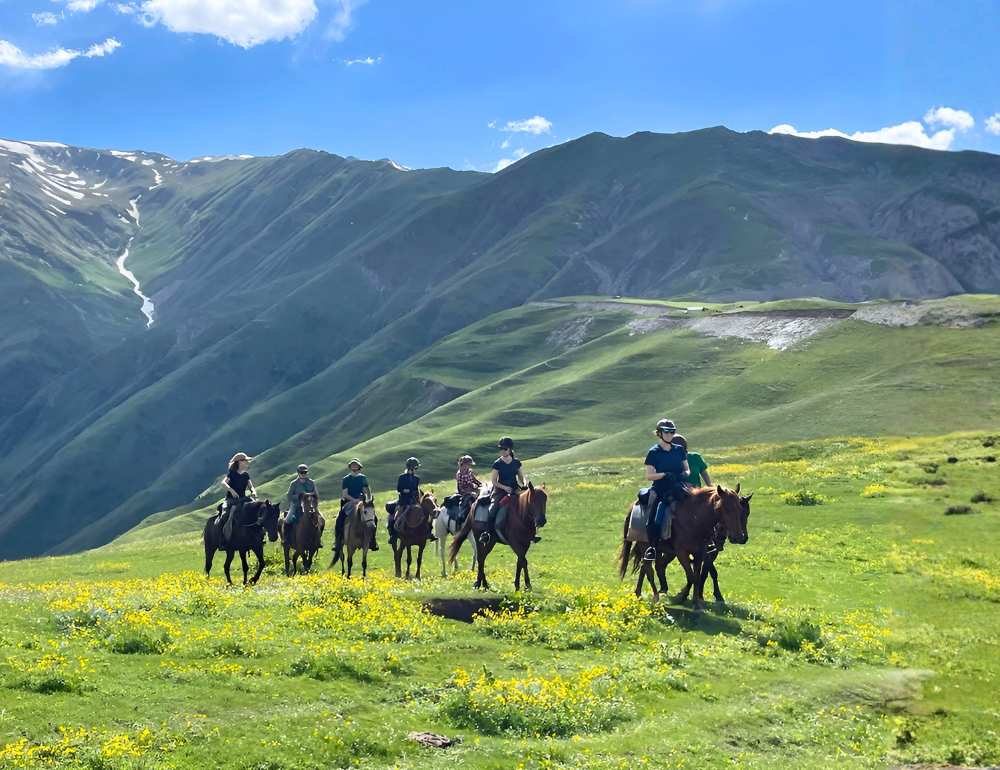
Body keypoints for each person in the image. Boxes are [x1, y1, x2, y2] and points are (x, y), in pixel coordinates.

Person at [643, 419, 690, 562]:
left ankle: (706, 541)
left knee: (700, 505)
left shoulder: (679, 450)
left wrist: (684, 474)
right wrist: (664, 475)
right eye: (667, 431)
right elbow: (649, 475)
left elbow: (687, 469)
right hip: (660, 489)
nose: (670, 434)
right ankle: (652, 547)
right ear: (659, 433)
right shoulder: (653, 453)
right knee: (654, 516)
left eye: (672, 431)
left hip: (679, 486)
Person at [482, 437, 539, 546]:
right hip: (500, 490)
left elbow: (521, 476)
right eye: (501, 449)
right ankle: (487, 533)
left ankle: (531, 532)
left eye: (504, 449)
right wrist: (504, 488)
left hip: (514, 488)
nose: (502, 451)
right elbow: (494, 481)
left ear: (509, 449)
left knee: (528, 506)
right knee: (492, 509)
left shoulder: (516, 462)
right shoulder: (497, 463)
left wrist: (525, 483)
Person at [389, 457, 434, 544]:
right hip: (403, 500)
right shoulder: (402, 477)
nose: (416, 470)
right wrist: (405, 490)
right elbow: (399, 488)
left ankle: (429, 532)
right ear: (411, 467)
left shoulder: (416, 478)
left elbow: (416, 489)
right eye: (416, 468)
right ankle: (393, 535)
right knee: (396, 515)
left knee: (425, 513)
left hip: (413, 500)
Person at [338, 458, 378, 552]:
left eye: (355, 465)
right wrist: (354, 500)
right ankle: (338, 540)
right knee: (340, 518)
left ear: (359, 467)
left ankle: (372, 540)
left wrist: (368, 499)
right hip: (349, 502)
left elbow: (367, 489)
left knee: (373, 518)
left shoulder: (362, 478)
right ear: (350, 467)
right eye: (352, 465)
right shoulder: (346, 479)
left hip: (362, 501)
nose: (354, 467)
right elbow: (345, 494)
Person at [220, 452, 257, 541]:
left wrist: (253, 492)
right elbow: (223, 483)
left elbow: (250, 486)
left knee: (255, 511)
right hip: (231, 500)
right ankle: (222, 538)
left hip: (242, 499)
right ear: (240, 462)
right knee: (225, 515)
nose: (248, 462)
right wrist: (231, 490)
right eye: (246, 461)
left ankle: (258, 535)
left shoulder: (246, 475)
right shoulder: (231, 474)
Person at [283, 464, 318, 542]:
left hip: (309, 505)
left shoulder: (311, 482)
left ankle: (317, 540)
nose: (303, 474)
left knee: (321, 520)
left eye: (305, 472)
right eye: (301, 472)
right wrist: (299, 496)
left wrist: (313, 499)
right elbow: (289, 496)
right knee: (288, 520)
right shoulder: (294, 483)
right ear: (298, 473)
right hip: (296, 504)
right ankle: (286, 538)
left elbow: (315, 494)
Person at [456, 454, 482, 521]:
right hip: (464, 492)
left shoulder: (469, 471)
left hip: (472, 489)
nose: (470, 466)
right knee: (468, 503)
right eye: (469, 464)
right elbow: (461, 488)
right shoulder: (460, 474)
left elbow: (474, 479)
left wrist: (481, 484)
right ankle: (462, 515)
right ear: (464, 464)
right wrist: (470, 493)